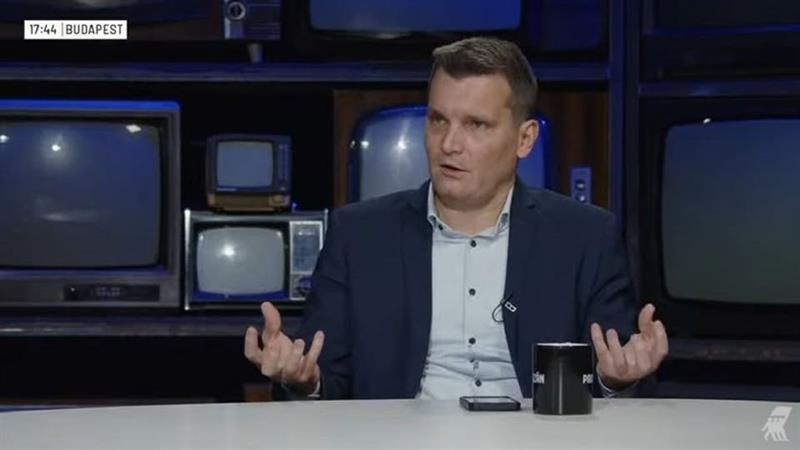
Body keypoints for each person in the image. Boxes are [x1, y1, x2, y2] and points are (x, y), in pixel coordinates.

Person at [244, 36, 668, 400]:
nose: (449, 144)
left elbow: (610, 376)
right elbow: (324, 378)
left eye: (476, 125)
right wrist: (303, 378)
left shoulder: (586, 237)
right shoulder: (358, 235)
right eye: (438, 120)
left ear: (524, 139)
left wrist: (616, 379)